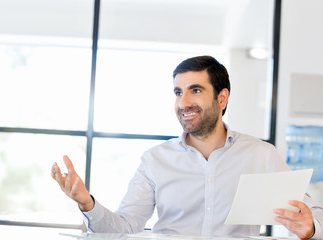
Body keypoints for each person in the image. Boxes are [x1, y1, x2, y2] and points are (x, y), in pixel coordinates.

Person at [51, 55, 323, 239]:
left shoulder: (261, 155)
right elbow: (124, 228)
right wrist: (87, 204)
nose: (183, 103)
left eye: (195, 90)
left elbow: (314, 215)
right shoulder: (155, 160)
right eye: (178, 92)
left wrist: (309, 227)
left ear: (222, 98)